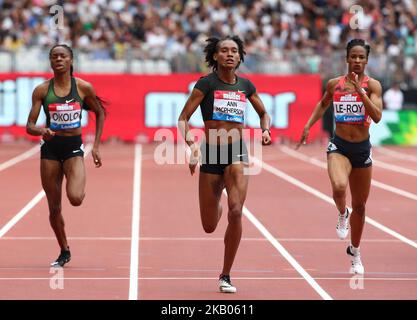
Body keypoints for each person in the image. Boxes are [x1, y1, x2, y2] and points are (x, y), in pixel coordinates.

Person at [178, 36, 271, 293]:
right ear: (215, 56)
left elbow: (264, 113)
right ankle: (216, 199)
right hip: (210, 153)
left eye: (234, 51)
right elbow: (183, 118)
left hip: (236, 152)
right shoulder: (206, 84)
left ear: (240, 57)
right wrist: (193, 146)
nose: (230, 54)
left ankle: (226, 274)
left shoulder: (246, 85)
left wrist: (265, 130)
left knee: (237, 211)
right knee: (209, 225)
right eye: (224, 50)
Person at [297, 39, 382, 275]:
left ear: (366, 60)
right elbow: (322, 104)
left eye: (361, 57)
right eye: (353, 56)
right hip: (340, 146)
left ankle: (355, 251)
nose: (356, 61)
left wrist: (361, 93)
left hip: (362, 149)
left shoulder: (373, 85)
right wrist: (307, 125)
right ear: (346, 58)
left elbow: (376, 116)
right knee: (338, 186)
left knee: (361, 206)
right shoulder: (335, 84)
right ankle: (342, 213)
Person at [26, 44, 106, 267]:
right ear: (50, 62)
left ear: (71, 60)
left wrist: (96, 146)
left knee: (76, 198)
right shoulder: (42, 90)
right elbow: (29, 126)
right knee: (54, 207)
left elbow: (100, 112)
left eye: (63, 56)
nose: (58, 59)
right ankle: (64, 250)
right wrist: (43, 130)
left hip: (73, 147)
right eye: (54, 56)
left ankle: (75, 178)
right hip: (50, 150)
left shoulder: (83, 88)